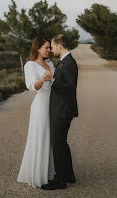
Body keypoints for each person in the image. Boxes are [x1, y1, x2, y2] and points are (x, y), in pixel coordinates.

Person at [17, 36, 56, 188]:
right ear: (37, 48)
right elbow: (31, 86)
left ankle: (49, 173)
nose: (49, 50)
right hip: (41, 105)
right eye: (46, 47)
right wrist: (42, 80)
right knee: (41, 137)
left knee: (51, 138)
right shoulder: (30, 65)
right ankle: (39, 178)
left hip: (53, 104)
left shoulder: (50, 63)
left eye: (49, 47)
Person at [41, 34, 78, 190]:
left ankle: (60, 180)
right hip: (60, 109)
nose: (52, 49)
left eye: (53, 46)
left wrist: (53, 81)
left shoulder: (69, 63)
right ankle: (68, 174)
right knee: (61, 143)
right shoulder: (64, 61)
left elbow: (70, 88)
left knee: (58, 144)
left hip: (63, 110)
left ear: (60, 46)